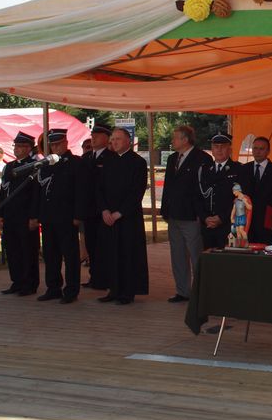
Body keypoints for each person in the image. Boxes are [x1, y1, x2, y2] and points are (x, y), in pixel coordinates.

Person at [96, 128, 149, 305]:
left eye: (118, 139)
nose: (114, 142)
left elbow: (137, 191)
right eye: (112, 139)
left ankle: (127, 292)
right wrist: (104, 210)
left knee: (127, 254)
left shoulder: (138, 162)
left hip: (127, 217)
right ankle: (113, 289)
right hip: (108, 217)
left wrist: (119, 213)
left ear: (128, 141)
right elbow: (99, 188)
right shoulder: (108, 161)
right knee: (110, 253)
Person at [160, 125, 213, 303]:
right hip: (173, 214)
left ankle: (201, 292)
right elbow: (168, 186)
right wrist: (164, 209)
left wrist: (202, 214)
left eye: (175, 138)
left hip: (192, 215)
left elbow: (205, 189)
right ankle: (183, 291)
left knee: (196, 254)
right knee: (178, 255)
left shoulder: (202, 158)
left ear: (185, 139)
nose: (172, 141)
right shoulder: (173, 158)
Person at [31, 128, 84, 303]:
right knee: (50, 254)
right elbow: (39, 191)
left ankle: (71, 290)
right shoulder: (46, 164)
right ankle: (53, 288)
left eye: (58, 144)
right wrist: (37, 214)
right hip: (48, 216)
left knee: (70, 256)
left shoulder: (75, 163)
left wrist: (78, 215)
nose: (55, 148)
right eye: (52, 145)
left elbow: (80, 191)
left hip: (67, 217)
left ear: (66, 143)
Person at [0, 132, 41, 296]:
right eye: (16, 146)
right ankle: (17, 281)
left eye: (21, 146)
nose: (17, 149)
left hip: (25, 215)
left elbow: (36, 194)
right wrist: (0, 213)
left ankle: (30, 284)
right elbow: (3, 191)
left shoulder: (34, 166)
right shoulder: (9, 167)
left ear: (29, 148)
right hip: (10, 214)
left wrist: (34, 216)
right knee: (13, 250)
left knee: (27, 250)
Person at [79, 124, 117, 290]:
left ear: (107, 138)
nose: (93, 138)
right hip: (89, 211)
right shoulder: (86, 158)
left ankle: (106, 279)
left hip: (104, 211)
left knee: (105, 247)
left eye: (98, 135)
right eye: (92, 135)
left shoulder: (112, 158)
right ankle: (95, 277)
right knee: (91, 245)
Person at [197, 133, 241, 250]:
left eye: (223, 146)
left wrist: (221, 217)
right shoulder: (204, 169)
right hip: (207, 225)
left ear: (230, 149)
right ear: (212, 150)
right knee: (208, 258)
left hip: (228, 225)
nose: (219, 149)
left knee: (227, 258)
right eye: (216, 146)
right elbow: (198, 197)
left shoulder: (238, 169)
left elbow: (240, 199)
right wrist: (205, 217)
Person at [241, 136, 272, 246]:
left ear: (268, 151)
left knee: (267, 251)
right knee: (247, 252)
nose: (258, 152)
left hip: (268, 222)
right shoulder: (243, 169)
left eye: (261, 149)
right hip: (247, 222)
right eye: (255, 148)